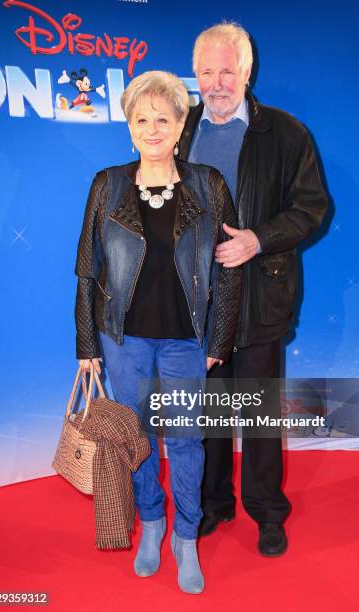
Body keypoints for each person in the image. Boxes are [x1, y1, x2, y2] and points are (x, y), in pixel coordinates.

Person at [74, 70, 241, 594]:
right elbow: (87, 267)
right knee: (139, 439)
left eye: (162, 119)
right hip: (123, 340)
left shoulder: (208, 184)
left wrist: (219, 340)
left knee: (188, 440)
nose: (152, 129)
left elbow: (228, 268)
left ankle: (185, 537)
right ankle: (153, 524)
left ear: (179, 126)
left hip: (187, 340)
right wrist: (86, 344)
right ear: (129, 128)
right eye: (141, 119)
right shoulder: (108, 184)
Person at [179, 23, 328, 555]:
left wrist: (259, 240)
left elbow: (312, 208)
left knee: (259, 412)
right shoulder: (178, 129)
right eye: (205, 72)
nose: (216, 82)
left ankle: (266, 510)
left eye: (226, 70)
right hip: (195, 300)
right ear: (195, 75)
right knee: (209, 412)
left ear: (246, 70)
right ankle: (212, 503)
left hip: (262, 293)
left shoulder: (287, 134)